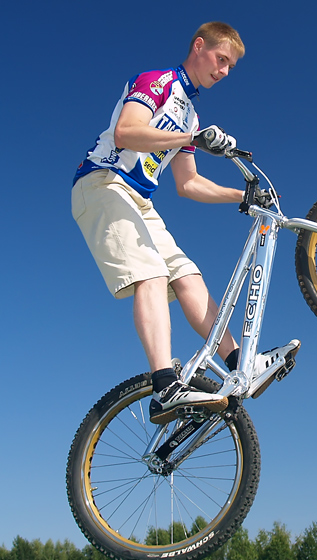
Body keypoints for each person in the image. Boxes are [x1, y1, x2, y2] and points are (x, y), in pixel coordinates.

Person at [72, 22, 299, 424]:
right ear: (199, 46)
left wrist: (243, 195)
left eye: (230, 66)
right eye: (221, 59)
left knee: (188, 276)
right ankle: (165, 387)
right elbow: (125, 132)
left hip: (140, 200)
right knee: (153, 274)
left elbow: (189, 183)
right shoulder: (157, 81)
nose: (223, 71)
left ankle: (240, 364)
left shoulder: (191, 115)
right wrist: (190, 138)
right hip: (103, 183)